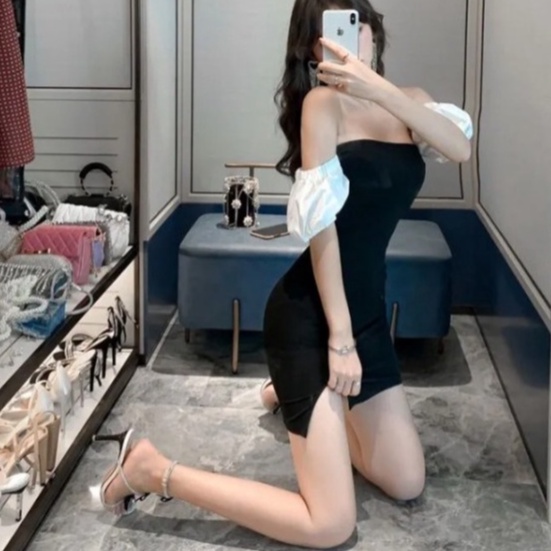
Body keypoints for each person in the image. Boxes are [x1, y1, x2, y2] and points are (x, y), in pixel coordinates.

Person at [95, 1, 473, 548]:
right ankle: (152, 469)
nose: (349, 41)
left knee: (406, 480)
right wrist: (339, 341)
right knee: (330, 525)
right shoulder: (322, 106)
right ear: (313, 50)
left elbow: (459, 147)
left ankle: (291, 395)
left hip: (366, 314)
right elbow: (323, 232)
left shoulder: (409, 102)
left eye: (357, 24)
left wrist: (377, 88)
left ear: (373, 30)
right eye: (330, 33)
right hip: (310, 318)